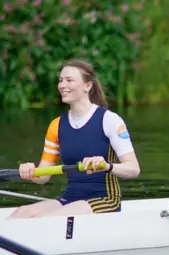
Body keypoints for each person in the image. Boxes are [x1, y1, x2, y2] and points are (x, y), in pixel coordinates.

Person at [8, 59, 140, 219]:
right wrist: (30, 171)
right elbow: (43, 177)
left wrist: (107, 166)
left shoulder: (110, 120)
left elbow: (133, 169)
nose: (62, 85)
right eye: (61, 80)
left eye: (69, 80)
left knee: (49, 219)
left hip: (105, 200)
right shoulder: (56, 126)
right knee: (20, 214)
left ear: (88, 86)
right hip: (71, 198)